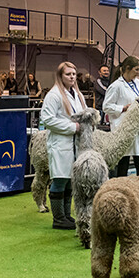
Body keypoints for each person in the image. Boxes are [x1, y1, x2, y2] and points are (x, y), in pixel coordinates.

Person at [40, 62, 86, 230]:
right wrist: (72, 127)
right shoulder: (53, 95)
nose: (72, 77)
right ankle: (58, 218)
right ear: (60, 76)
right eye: (68, 74)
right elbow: (48, 119)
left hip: (74, 144)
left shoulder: (76, 94)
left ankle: (67, 215)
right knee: (59, 180)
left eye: (74, 74)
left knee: (69, 181)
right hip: (60, 143)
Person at [103, 56, 139, 176]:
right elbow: (106, 106)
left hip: (138, 129)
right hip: (123, 130)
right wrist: (123, 108)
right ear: (127, 69)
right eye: (136, 69)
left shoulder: (138, 84)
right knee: (123, 166)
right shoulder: (116, 86)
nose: (138, 72)